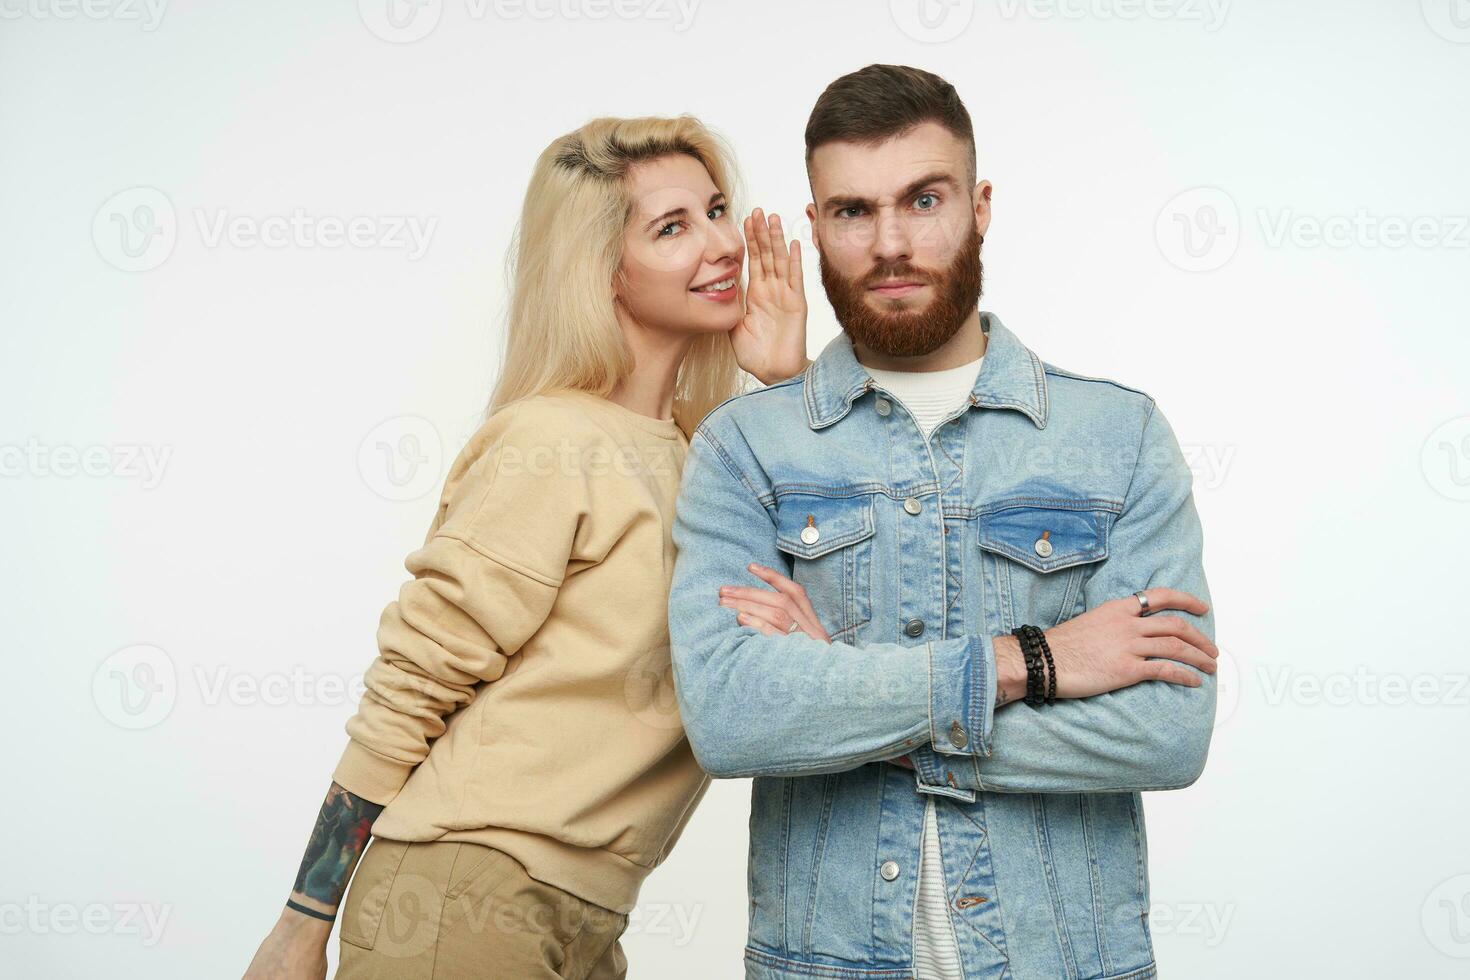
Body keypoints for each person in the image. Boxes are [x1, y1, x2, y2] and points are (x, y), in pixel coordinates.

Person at [669, 64, 1219, 979]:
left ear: (980, 205)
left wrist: (844, 693)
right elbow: (732, 717)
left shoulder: (1116, 439)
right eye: (852, 211)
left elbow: (1164, 732)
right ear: (815, 227)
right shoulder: (746, 450)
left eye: (924, 200)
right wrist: (1030, 662)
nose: (890, 243)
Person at [243, 114, 810, 980]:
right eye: (672, 227)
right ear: (603, 271)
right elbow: (412, 686)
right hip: (463, 893)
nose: (723, 243)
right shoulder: (550, 441)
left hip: (582, 913)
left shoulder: (708, 457)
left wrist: (786, 388)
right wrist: (300, 926)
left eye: (717, 208)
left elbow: (810, 630)